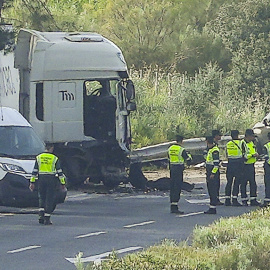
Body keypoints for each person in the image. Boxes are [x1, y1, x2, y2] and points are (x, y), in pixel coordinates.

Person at [29, 143, 66, 225]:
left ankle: (41, 216)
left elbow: (34, 171)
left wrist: (32, 182)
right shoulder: (54, 158)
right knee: (49, 198)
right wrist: (63, 183)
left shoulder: (39, 157)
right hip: (51, 180)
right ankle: (47, 218)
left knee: (42, 197)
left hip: (41, 179)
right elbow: (60, 172)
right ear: (52, 148)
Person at [168, 135, 192, 214]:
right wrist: (189, 156)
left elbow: (168, 158)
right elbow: (188, 160)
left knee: (172, 186)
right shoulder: (181, 149)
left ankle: (172, 205)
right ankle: (175, 206)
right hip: (178, 169)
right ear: (182, 141)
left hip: (172, 169)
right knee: (177, 187)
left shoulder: (170, 148)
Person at [240, 129, 260, 206]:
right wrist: (252, 155)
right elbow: (243, 155)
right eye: (252, 136)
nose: (253, 138)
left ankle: (253, 199)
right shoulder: (242, 143)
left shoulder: (252, 143)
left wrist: (256, 155)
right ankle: (244, 199)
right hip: (244, 166)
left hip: (251, 165)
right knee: (244, 183)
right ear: (248, 136)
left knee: (253, 183)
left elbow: (253, 151)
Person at [224, 130, 243, 206]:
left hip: (230, 164)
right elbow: (244, 153)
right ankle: (234, 199)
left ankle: (227, 200)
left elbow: (226, 154)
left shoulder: (228, 144)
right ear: (237, 135)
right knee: (236, 182)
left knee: (229, 182)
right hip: (238, 164)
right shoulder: (241, 143)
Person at [204, 136, 220, 214]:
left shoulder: (214, 150)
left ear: (207, 142)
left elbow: (216, 164)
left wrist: (213, 173)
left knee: (212, 190)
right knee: (210, 190)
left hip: (212, 173)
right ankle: (212, 207)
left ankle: (213, 208)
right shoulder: (210, 150)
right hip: (209, 172)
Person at [211, 129, 223, 205]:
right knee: (215, 184)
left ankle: (216, 198)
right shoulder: (213, 144)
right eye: (219, 135)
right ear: (215, 136)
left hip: (214, 165)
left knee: (217, 184)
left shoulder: (215, 143)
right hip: (213, 167)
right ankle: (215, 199)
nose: (220, 137)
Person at [262, 132, 270, 207]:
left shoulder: (266, 146)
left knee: (268, 183)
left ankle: (267, 201)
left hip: (268, 166)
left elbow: (265, 157)